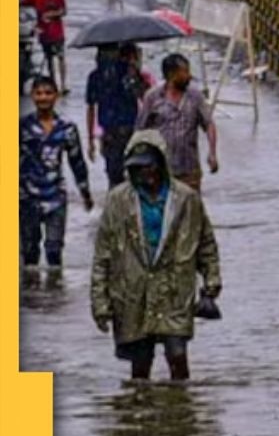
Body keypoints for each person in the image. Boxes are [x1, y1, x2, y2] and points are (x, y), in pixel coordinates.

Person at [91, 129, 221, 381]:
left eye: (148, 166)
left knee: (177, 356)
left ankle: (182, 413)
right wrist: (100, 303)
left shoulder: (186, 199)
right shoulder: (118, 201)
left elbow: (206, 243)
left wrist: (211, 281)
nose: (144, 174)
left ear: (161, 163)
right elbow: (102, 255)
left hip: (174, 289)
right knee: (140, 365)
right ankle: (141, 414)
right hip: (132, 291)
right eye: (137, 168)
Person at [20, 76, 93, 268]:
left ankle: (55, 289)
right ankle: (34, 296)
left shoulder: (67, 128)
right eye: (39, 93)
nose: (43, 98)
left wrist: (85, 193)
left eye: (48, 93)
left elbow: (76, 161)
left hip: (56, 196)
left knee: (54, 250)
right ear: (32, 96)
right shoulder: (22, 127)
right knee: (29, 252)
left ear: (56, 96)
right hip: (27, 196)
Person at [136, 54, 218, 193]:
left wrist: (212, 153)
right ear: (172, 74)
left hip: (189, 170)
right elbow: (140, 131)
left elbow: (209, 124)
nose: (189, 76)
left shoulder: (195, 97)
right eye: (185, 72)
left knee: (189, 211)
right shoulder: (153, 97)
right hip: (160, 170)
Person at [86, 42, 150, 189]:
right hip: (122, 131)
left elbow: (91, 109)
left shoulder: (97, 76)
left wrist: (91, 140)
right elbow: (145, 98)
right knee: (129, 175)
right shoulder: (125, 73)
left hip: (117, 132)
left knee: (116, 177)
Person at [20, 0, 68, 93]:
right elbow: (21, 3)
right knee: (50, 59)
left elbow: (63, 11)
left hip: (56, 33)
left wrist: (52, 14)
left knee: (59, 57)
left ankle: (63, 84)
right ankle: (56, 84)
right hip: (45, 33)